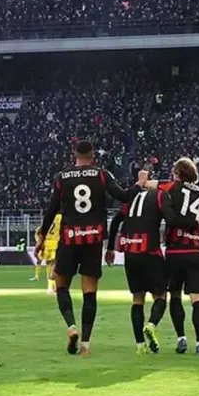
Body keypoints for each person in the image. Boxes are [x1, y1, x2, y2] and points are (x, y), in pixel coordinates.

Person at [36, 140, 147, 356]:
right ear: (93, 155)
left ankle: (71, 326)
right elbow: (124, 196)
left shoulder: (61, 177)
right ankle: (86, 345)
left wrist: (42, 236)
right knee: (90, 291)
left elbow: (52, 209)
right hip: (93, 239)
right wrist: (140, 183)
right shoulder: (102, 174)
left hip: (69, 238)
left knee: (61, 284)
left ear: (74, 153)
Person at [107, 179, 198, 354]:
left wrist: (110, 248)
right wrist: (192, 222)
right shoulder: (160, 196)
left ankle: (140, 345)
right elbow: (171, 219)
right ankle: (151, 324)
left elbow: (115, 221)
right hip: (150, 252)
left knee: (137, 298)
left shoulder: (133, 198)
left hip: (130, 253)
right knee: (160, 296)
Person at [161, 158, 199, 355]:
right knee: (198, 298)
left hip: (175, 250)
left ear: (178, 174)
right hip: (195, 250)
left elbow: (154, 186)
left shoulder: (172, 187)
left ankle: (181, 338)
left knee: (175, 295)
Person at [32, 213, 61, 295]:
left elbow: (40, 232)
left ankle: (53, 287)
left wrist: (37, 246)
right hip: (55, 244)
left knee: (50, 265)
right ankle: (51, 287)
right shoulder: (61, 218)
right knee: (55, 266)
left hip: (46, 245)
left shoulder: (48, 218)